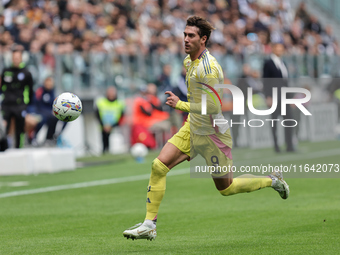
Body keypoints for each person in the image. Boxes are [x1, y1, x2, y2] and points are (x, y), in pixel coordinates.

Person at [123, 16, 290, 241]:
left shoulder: (209, 68)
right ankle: (149, 224)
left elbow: (213, 106)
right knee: (158, 166)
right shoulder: (188, 62)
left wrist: (180, 104)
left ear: (203, 39)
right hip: (193, 127)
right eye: (184, 34)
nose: (185, 39)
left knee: (226, 188)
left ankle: (272, 180)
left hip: (213, 135)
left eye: (191, 35)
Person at [263, 42, 295, 153]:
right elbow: (265, 81)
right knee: (275, 123)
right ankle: (276, 146)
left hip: (285, 97)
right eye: (277, 48)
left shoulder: (283, 63)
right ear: (273, 49)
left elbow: (286, 82)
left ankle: (289, 145)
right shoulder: (268, 63)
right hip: (275, 97)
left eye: (281, 48)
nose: (279, 50)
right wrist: (268, 96)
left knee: (289, 121)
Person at [0, 47, 34, 149]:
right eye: (14, 57)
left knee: (20, 128)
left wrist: (28, 106)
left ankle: (19, 148)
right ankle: (3, 148)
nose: (16, 59)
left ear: (21, 58)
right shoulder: (6, 71)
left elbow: (30, 91)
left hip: (20, 105)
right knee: (4, 127)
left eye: (18, 57)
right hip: (6, 104)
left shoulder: (26, 73)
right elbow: (2, 88)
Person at [94, 86, 125, 154]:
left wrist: (113, 125)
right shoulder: (101, 102)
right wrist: (104, 125)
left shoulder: (120, 103)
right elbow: (97, 114)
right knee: (104, 140)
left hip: (115, 126)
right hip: (103, 126)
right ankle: (105, 151)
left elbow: (122, 115)